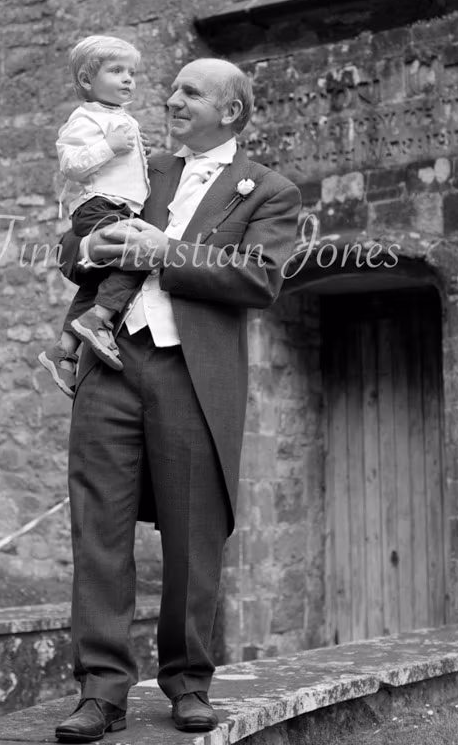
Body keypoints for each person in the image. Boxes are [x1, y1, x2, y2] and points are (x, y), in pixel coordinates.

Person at [54, 58, 301, 742]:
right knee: (97, 528)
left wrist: (168, 251)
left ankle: (188, 681)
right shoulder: (144, 166)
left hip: (192, 375)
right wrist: (88, 244)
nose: (170, 100)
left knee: (194, 535)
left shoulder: (270, 191)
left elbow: (259, 278)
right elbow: (73, 240)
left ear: (232, 111)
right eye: (172, 90)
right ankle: (100, 692)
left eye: (190, 92)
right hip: (110, 365)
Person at [38, 34, 149, 394]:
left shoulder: (118, 117)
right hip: (99, 205)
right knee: (141, 254)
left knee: (96, 282)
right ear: (87, 80)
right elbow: (71, 164)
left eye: (131, 72)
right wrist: (109, 146)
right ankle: (99, 319)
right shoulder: (84, 118)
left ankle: (64, 350)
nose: (128, 78)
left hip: (117, 204)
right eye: (116, 71)